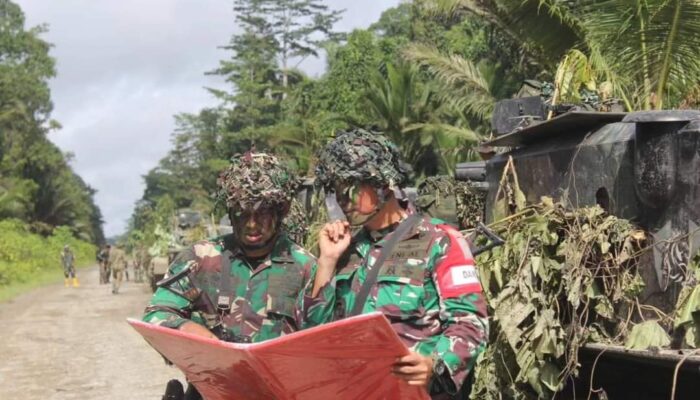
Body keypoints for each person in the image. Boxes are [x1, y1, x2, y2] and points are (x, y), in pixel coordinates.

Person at [305, 129, 488, 399]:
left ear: (383, 183)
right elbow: (314, 331)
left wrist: (434, 365)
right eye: (336, 193)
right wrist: (327, 262)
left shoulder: (440, 240)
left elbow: (470, 322)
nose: (344, 202)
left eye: (351, 189)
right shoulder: (346, 248)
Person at [143, 152, 317, 400]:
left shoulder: (305, 267)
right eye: (241, 214)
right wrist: (200, 338)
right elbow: (156, 314)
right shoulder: (201, 257)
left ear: (281, 211)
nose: (252, 225)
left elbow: (324, 339)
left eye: (262, 214)